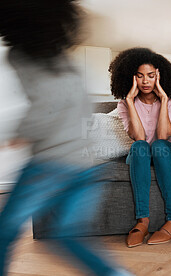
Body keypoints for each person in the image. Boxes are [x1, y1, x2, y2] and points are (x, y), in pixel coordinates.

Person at [0, 0, 131, 275]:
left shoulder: (21, 54)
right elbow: (73, 105)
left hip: (53, 162)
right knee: (66, 235)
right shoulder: (60, 56)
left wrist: (18, 134)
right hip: (89, 163)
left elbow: (46, 107)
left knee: (6, 230)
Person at [109, 47, 171, 247]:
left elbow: (163, 136)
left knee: (159, 145)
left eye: (151, 76)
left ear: (159, 76)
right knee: (140, 147)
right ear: (130, 77)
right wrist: (129, 100)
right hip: (142, 152)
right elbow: (139, 137)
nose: (145, 81)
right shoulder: (125, 104)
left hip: (166, 151)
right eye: (139, 76)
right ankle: (142, 222)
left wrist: (162, 98)